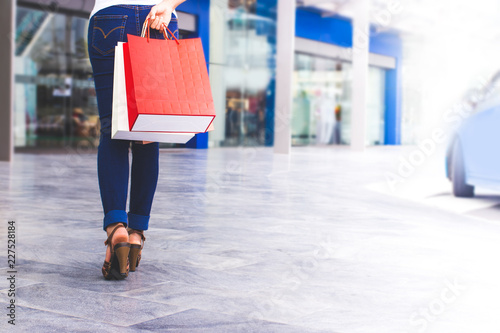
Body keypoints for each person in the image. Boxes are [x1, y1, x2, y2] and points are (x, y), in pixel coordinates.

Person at [88, 0, 186, 280]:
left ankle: (116, 228)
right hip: (159, 18)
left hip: (109, 19)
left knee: (112, 130)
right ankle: (136, 233)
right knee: (148, 132)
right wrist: (167, 5)